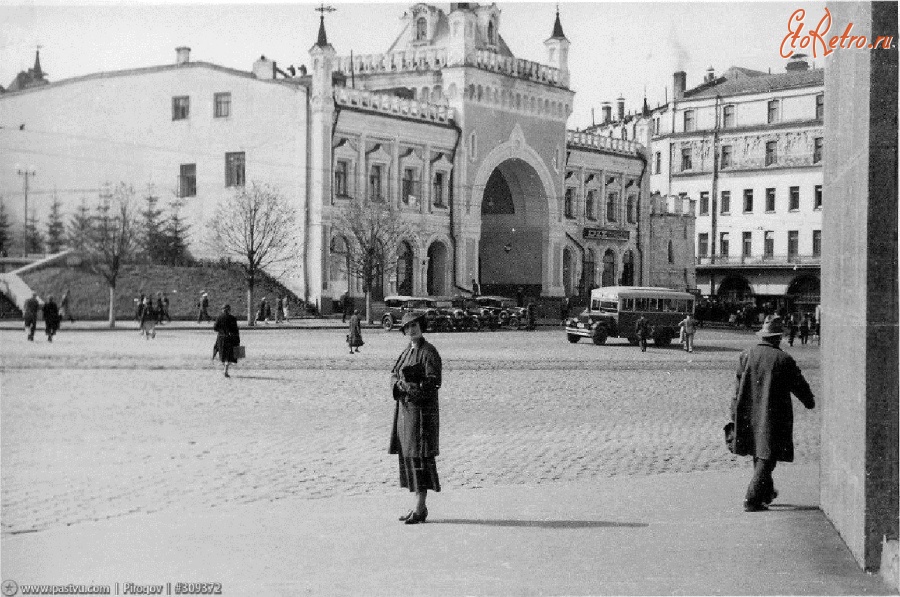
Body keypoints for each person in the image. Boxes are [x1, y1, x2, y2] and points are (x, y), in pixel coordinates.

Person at [731, 315, 815, 512]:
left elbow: (736, 390)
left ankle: (766, 493)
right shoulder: (784, 359)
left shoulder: (746, 355)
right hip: (773, 416)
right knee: (767, 457)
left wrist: (734, 413)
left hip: (748, 413)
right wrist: (809, 401)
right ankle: (751, 499)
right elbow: (799, 385)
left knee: (759, 453)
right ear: (777, 338)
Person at [389, 312, 442, 525]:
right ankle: (416, 506)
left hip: (421, 415)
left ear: (421, 326)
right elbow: (394, 373)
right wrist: (398, 384)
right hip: (406, 415)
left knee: (420, 458)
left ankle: (420, 508)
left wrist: (412, 388)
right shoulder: (406, 351)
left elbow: (434, 381)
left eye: (415, 325)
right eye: (408, 327)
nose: (412, 330)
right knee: (410, 459)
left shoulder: (429, 352)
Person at [213, 304, 240, 378]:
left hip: (221, 338)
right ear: (229, 310)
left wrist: (221, 331)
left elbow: (215, 328)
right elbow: (235, 330)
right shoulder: (233, 318)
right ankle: (226, 369)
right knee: (229, 355)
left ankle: (224, 367)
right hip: (230, 338)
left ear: (222, 310)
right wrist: (237, 339)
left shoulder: (219, 317)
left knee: (222, 354)